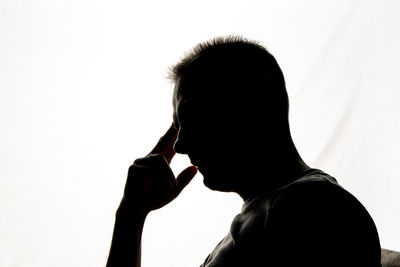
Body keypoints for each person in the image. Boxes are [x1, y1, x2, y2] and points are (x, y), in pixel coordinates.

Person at [106, 36, 382, 266]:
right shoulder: (272, 215)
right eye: (177, 128)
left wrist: (130, 217)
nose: (179, 145)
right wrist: (131, 214)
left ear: (254, 103)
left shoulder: (315, 210)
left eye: (189, 118)